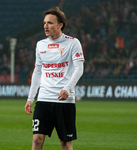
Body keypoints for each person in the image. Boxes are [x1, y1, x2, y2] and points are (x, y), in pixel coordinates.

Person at [24, 7, 85, 150]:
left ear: (60, 25)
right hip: (44, 99)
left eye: (50, 23)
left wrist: (67, 89)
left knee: (65, 143)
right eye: (45, 23)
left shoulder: (73, 43)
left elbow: (79, 68)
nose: (46, 26)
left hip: (64, 101)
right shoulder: (40, 45)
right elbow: (37, 71)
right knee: (37, 140)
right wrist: (30, 98)